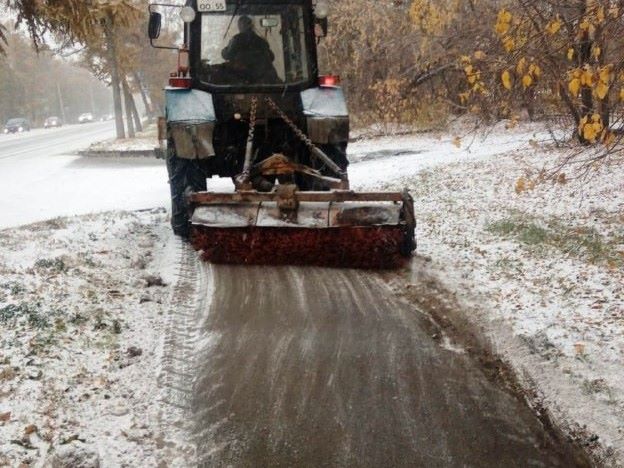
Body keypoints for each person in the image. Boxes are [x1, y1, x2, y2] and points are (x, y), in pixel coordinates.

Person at [221, 15, 280, 84]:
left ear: (243, 25)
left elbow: (227, 55)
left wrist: (224, 51)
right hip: (262, 80)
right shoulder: (261, 41)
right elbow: (271, 57)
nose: (239, 27)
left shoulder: (237, 39)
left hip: (241, 80)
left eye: (240, 24)